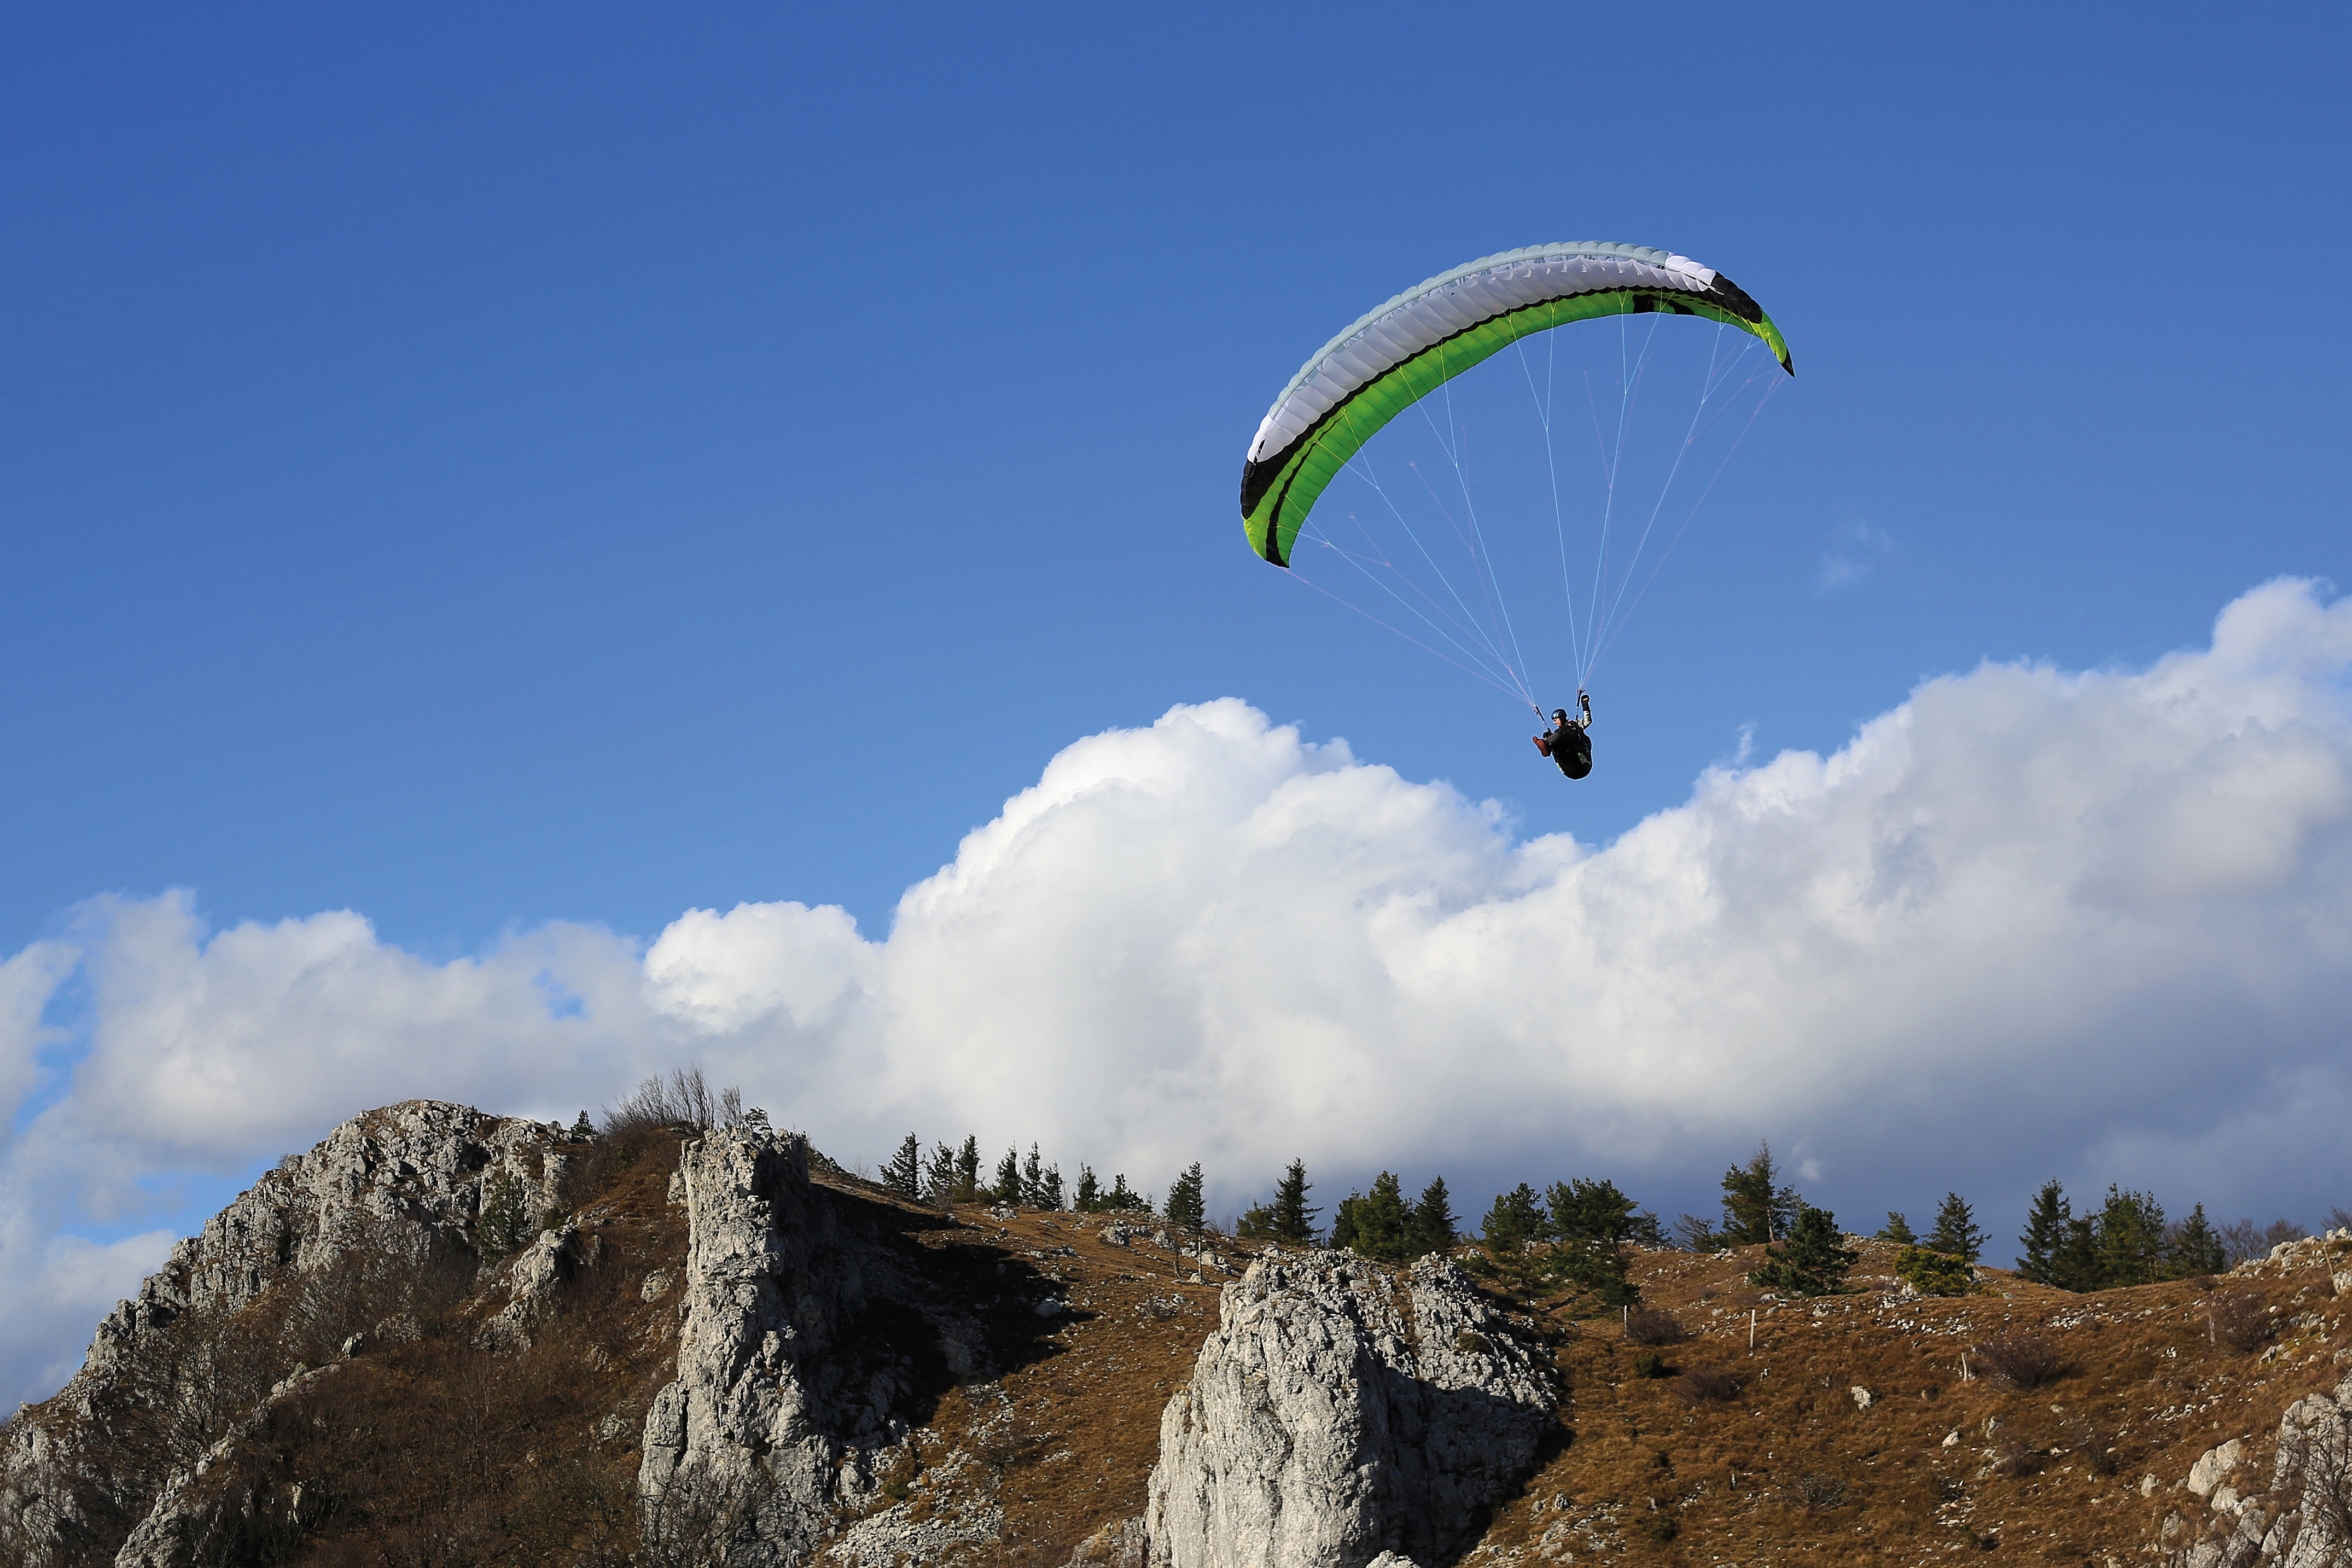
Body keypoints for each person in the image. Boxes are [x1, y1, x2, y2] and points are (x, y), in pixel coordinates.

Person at [1532, 692, 1593, 779]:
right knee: (1557, 741)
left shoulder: (1573, 726)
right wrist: (1548, 737)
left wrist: (1585, 705)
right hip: (1570, 769)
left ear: (1562, 718)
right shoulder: (1561, 733)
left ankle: (1547, 744)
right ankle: (1547, 746)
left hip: (1582, 765)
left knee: (1565, 730)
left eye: (1556, 720)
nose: (1554, 723)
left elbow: (1587, 722)